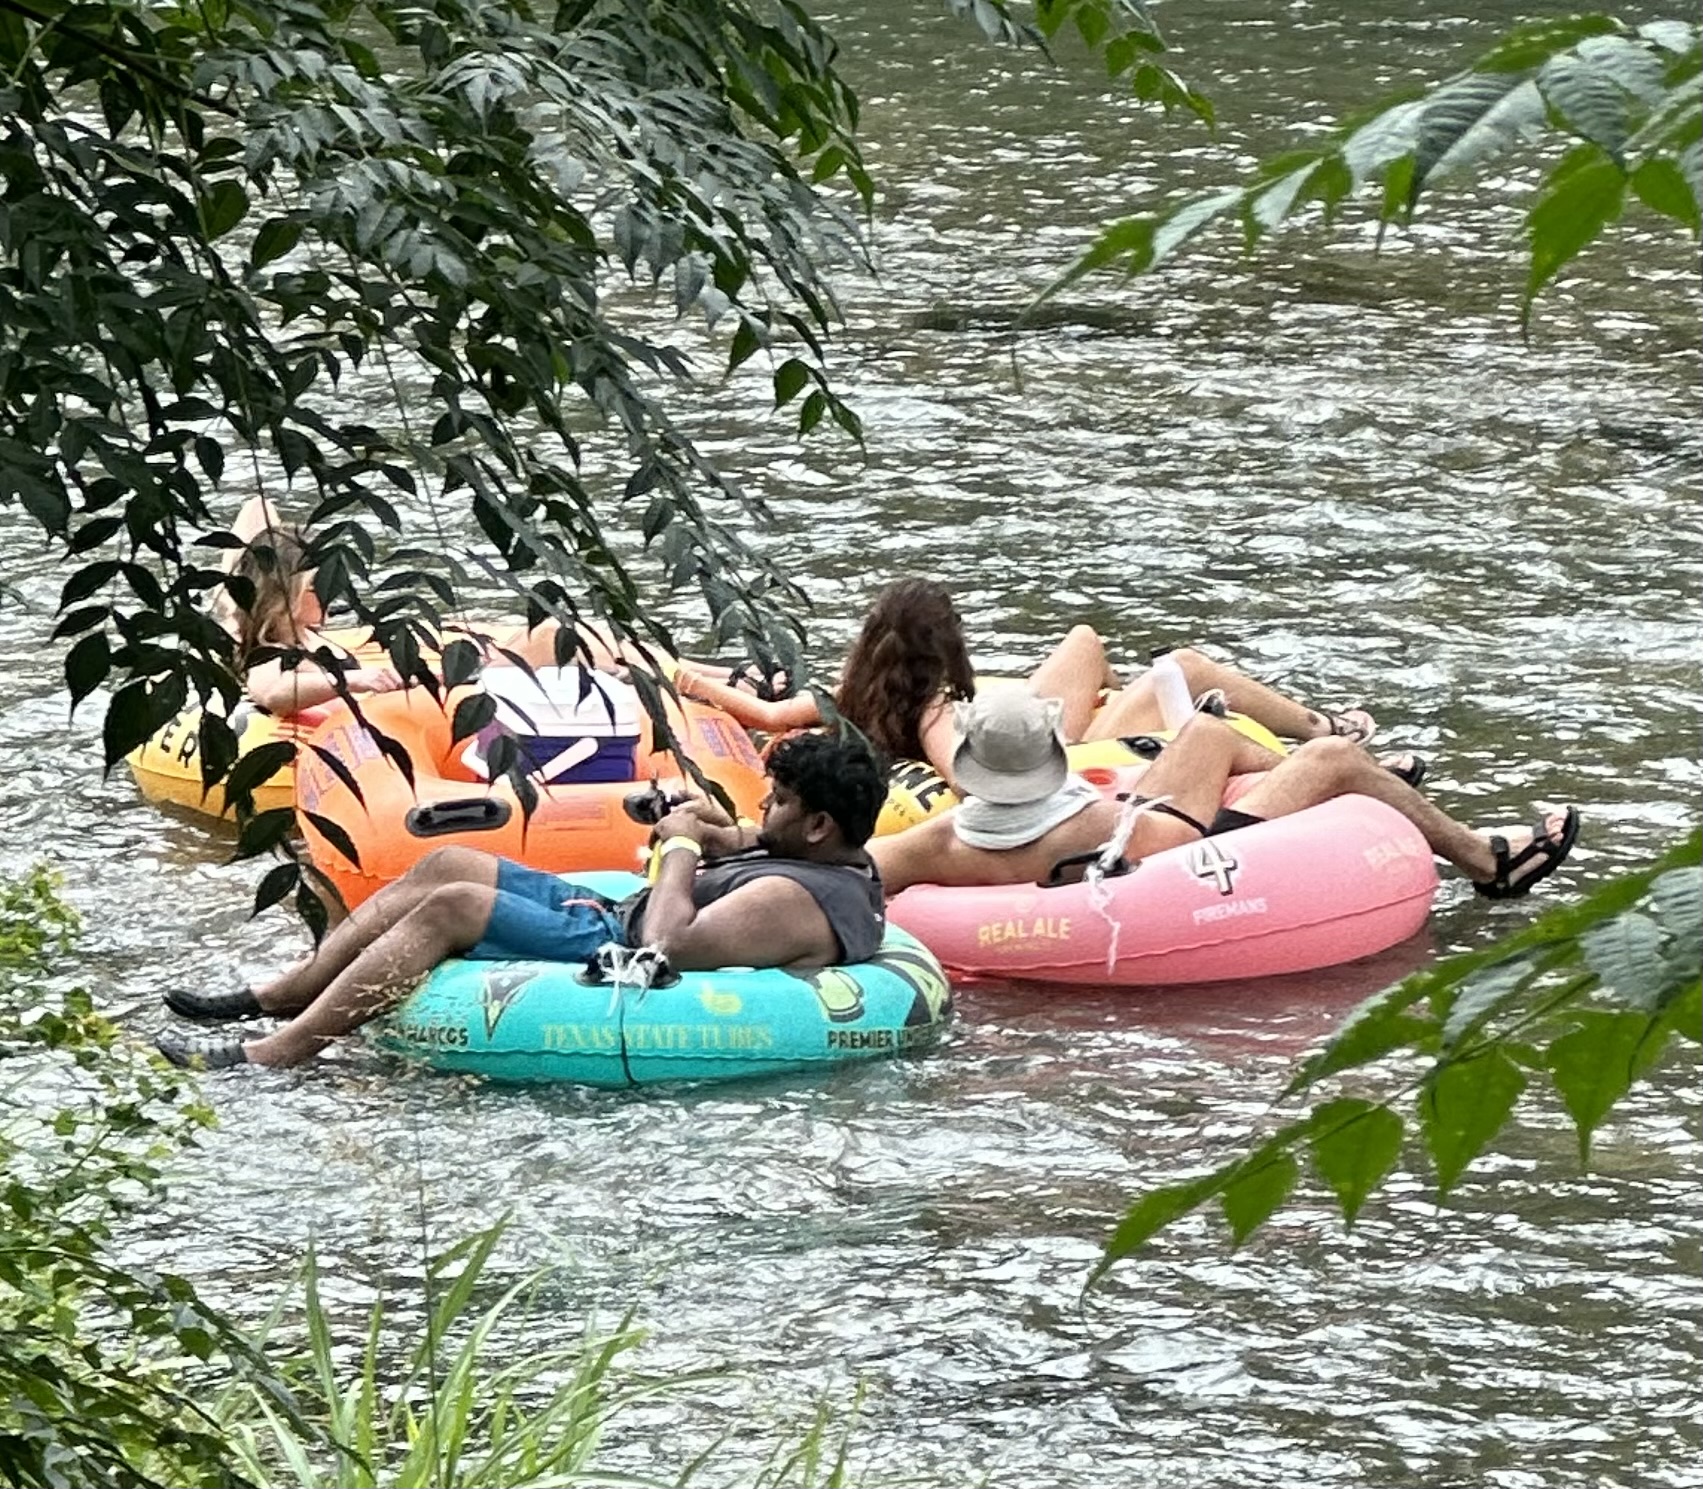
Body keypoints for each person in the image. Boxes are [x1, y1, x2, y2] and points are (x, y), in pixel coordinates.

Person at [153, 730, 889, 1069]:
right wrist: (720, 837)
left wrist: (680, 847)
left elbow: (665, 947)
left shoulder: (797, 902)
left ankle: (278, 1052)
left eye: (781, 801)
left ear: (820, 824)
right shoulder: (808, 853)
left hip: (620, 951)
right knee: (446, 858)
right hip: (613, 913)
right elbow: (739, 864)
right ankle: (285, 992)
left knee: (454, 906)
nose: (768, 809)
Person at [672, 578, 1378, 791]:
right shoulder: (932, 710)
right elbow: (963, 772)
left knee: (1083, 643)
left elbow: (765, 714)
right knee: (1183, 664)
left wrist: (686, 678)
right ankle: (1322, 733)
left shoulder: (847, 693)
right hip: (1049, 745)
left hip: (1025, 722)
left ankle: (1147, 697)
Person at [869, 690, 1581, 900]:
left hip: (1123, 841)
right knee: (1331, 756)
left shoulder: (938, 840)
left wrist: (753, 842)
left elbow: (862, 864)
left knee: (1205, 733)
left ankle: (1323, 766)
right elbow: (1151, 823)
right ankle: (1486, 861)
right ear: (1051, 756)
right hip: (1189, 857)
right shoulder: (1092, 815)